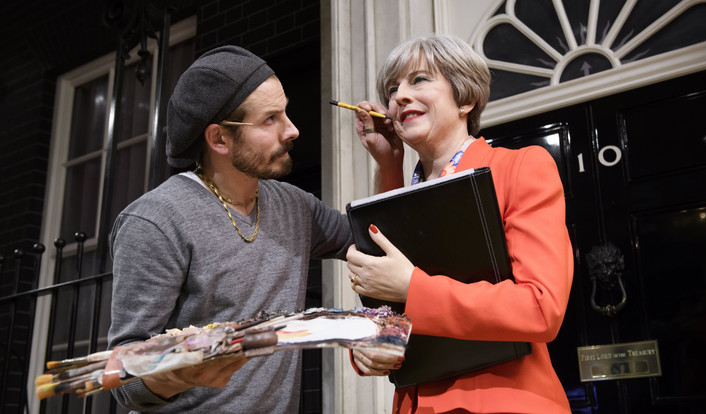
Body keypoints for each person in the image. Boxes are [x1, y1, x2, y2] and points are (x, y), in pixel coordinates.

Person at [107, 45, 353, 413]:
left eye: (285, 111)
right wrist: (181, 370)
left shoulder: (295, 206)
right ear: (219, 139)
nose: (292, 130)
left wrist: (388, 158)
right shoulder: (157, 221)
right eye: (270, 119)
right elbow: (123, 379)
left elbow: (370, 238)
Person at [345, 34, 574, 413]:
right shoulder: (398, 186)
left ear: (466, 97)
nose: (399, 96)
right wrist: (372, 350)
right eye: (392, 88)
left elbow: (541, 308)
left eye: (418, 80)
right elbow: (387, 317)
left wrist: (412, 286)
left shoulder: (520, 168)